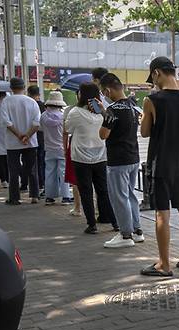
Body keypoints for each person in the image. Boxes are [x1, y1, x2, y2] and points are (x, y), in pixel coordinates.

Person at [140, 56, 179, 277]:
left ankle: (164, 265)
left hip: (160, 164)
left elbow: (144, 132)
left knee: (162, 214)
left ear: (156, 73)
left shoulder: (152, 100)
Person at [98, 73, 144, 249]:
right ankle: (137, 230)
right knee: (130, 194)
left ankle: (125, 235)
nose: (104, 94)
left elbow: (103, 134)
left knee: (119, 197)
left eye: (104, 91)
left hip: (118, 159)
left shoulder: (113, 110)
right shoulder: (133, 106)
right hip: (133, 157)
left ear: (108, 90)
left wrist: (103, 113)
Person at [65, 82, 117, 234]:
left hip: (81, 157)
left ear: (81, 94)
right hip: (100, 155)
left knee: (86, 191)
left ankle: (92, 225)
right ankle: (114, 222)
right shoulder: (103, 113)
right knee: (103, 191)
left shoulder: (75, 112)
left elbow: (68, 129)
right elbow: (111, 121)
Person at [0, 78, 41, 205]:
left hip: (12, 142)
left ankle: (15, 198)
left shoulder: (6, 101)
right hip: (30, 141)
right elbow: (36, 123)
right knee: (32, 169)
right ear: (24, 87)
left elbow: (6, 122)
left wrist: (19, 135)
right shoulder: (32, 102)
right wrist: (27, 136)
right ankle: (34, 196)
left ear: (11, 88)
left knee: (13, 170)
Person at [40, 91, 70, 205]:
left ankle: (49, 197)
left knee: (49, 172)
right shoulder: (63, 117)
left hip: (49, 148)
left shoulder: (43, 116)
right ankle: (65, 197)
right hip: (61, 148)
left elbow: (41, 129)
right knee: (63, 173)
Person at [27, 85, 46, 195]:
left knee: (33, 162)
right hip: (42, 136)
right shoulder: (43, 105)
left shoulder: (29, 105)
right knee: (42, 160)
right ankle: (42, 183)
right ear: (38, 94)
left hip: (31, 136)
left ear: (29, 93)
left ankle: (36, 184)